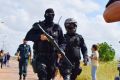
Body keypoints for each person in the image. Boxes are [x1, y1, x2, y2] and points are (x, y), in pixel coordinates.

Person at [24, 8, 65, 80]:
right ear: (44, 15)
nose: (50, 16)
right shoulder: (39, 26)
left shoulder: (57, 27)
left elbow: (63, 42)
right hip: (41, 56)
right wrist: (39, 37)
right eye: (48, 14)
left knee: (49, 77)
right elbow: (28, 36)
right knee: (42, 75)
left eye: (52, 15)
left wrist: (61, 50)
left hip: (53, 57)